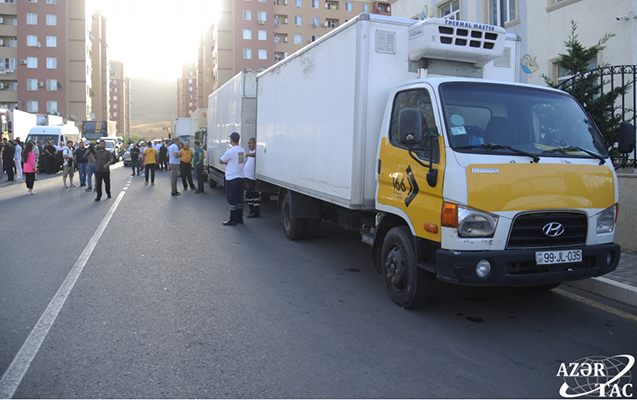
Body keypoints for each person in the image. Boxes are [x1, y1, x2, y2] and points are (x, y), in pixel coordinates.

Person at [220, 132, 246, 225]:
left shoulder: (230, 151)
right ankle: (240, 217)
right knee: (239, 198)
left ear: (231, 140)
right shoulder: (242, 150)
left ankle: (233, 219)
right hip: (241, 177)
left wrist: (228, 162)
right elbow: (240, 162)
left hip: (232, 178)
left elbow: (221, 160)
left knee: (232, 198)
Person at [245, 137, 260, 218]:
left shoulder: (255, 151)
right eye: (248, 143)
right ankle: (255, 211)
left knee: (248, 194)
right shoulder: (250, 151)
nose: (249, 144)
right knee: (255, 195)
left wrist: (247, 155)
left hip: (253, 178)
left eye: (251, 143)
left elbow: (255, 155)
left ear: (255, 144)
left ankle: (252, 209)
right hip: (248, 177)